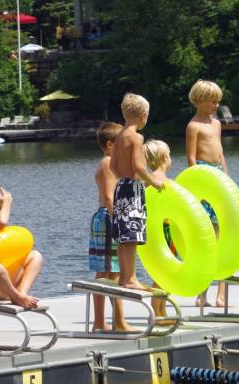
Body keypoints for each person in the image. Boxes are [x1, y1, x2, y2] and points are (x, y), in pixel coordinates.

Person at [186, 80, 239, 307]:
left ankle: (221, 295)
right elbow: (192, 159)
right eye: (213, 101)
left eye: (218, 101)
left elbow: (221, 153)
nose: (217, 105)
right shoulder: (193, 126)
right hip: (204, 178)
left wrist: (227, 180)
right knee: (210, 239)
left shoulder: (216, 123)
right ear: (200, 101)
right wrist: (198, 186)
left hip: (219, 177)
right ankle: (202, 295)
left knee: (223, 238)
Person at [110, 93, 164, 291]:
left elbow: (113, 167)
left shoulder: (119, 136)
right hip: (132, 189)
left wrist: (124, 178)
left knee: (124, 237)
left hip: (120, 188)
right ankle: (131, 278)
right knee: (132, 235)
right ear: (143, 115)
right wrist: (154, 182)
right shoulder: (136, 137)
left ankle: (124, 277)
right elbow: (140, 167)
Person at [90, 123, 134, 332]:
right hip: (109, 219)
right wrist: (120, 222)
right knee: (114, 271)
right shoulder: (108, 163)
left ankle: (100, 322)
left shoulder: (108, 163)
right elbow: (109, 197)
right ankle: (119, 322)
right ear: (110, 145)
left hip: (104, 219)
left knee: (104, 272)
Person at [143, 139, 178, 325]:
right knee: (165, 273)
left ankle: (160, 311)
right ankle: (158, 313)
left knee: (159, 273)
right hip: (165, 231)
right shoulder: (165, 182)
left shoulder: (148, 180)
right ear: (165, 157)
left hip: (154, 232)